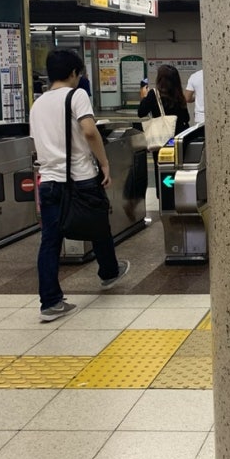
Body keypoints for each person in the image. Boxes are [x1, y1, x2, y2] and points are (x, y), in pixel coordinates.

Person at [30, 49, 130, 322]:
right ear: (74, 72)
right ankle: (109, 273)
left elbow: (36, 142)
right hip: (80, 177)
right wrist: (104, 163)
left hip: (49, 181)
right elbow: (89, 131)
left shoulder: (37, 104)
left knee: (50, 241)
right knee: (99, 225)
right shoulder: (76, 96)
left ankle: (50, 302)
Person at [139, 64, 190, 196]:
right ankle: (178, 195)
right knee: (176, 168)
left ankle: (164, 197)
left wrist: (144, 97)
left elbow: (141, 112)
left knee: (162, 168)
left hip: (161, 140)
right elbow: (186, 118)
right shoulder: (179, 95)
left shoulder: (153, 94)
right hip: (177, 139)